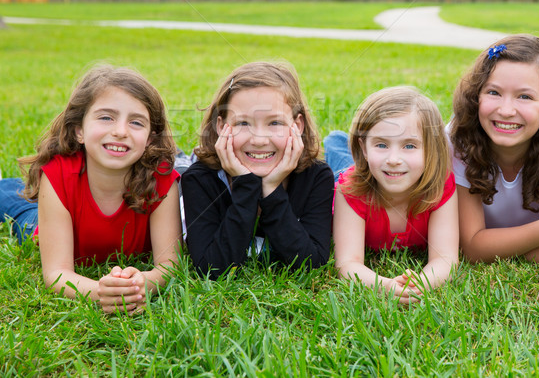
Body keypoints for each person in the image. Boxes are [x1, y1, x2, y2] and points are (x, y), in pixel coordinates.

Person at [0, 65, 182, 313]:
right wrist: (100, 292)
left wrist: (140, 284)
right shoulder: (58, 174)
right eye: (106, 117)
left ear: (149, 139)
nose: (120, 131)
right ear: (79, 130)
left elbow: (169, 267)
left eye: (136, 122)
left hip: (70, 206)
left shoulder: (162, 180)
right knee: (17, 205)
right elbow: (56, 273)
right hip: (42, 225)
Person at [449, 34, 539, 266]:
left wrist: (491, 247)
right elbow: (472, 247)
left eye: (525, 96)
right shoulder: (460, 142)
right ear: (476, 97)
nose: (506, 110)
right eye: (494, 92)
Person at [181, 61, 334, 278]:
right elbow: (211, 268)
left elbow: (311, 264)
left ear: (297, 126)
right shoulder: (199, 180)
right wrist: (245, 185)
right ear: (221, 127)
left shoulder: (316, 177)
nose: (259, 139)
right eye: (243, 123)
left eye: (274, 123)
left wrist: (271, 189)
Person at [329, 86, 458, 304]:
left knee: (363, 162)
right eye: (381, 144)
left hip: (376, 170)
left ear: (431, 149)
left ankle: (340, 141)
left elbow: (446, 258)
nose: (394, 158)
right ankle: (335, 141)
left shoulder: (440, 186)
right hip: (362, 175)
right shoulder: (348, 189)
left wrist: (420, 285)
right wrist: (386, 286)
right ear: (363, 147)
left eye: (409, 145)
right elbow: (347, 264)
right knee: (340, 162)